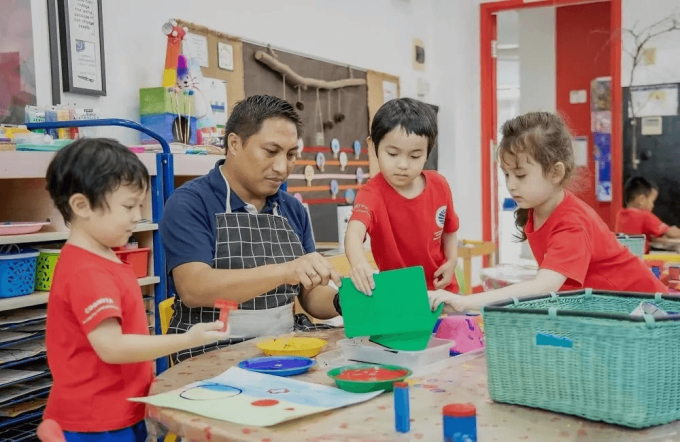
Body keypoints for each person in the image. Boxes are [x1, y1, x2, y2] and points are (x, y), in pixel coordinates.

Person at [43, 139, 229, 441]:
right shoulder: (87, 271)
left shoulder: (100, 256)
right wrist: (185, 339)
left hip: (114, 411)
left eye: (139, 206)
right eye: (129, 206)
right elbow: (112, 347)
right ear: (82, 205)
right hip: (97, 421)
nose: (136, 216)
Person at [160, 95, 342, 364]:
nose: (282, 168)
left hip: (284, 347)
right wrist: (285, 270)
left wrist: (343, 302)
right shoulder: (190, 203)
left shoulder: (292, 209)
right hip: (210, 352)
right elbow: (194, 288)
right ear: (234, 143)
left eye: (291, 155)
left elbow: (310, 294)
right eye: (271, 151)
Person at [429, 112, 667, 313]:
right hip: (614, 310)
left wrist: (466, 301)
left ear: (555, 173)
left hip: (650, 310)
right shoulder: (535, 210)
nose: (511, 184)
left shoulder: (571, 223)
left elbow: (545, 286)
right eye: (507, 174)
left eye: (520, 175)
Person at [344, 98, 459, 296]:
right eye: (393, 154)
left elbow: (449, 229)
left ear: (427, 153)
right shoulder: (371, 194)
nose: (403, 165)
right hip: (400, 297)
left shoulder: (440, 185)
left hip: (442, 291)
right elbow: (354, 234)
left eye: (415, 156)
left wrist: (452, 260)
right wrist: (359, 263)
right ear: (373, 146)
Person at [615, 176, 680, 253]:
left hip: (625, 258)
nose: (653, 206)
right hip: (639, 260)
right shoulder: (644, 216)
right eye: (652, 201)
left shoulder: (621, 214)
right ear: (641, 200)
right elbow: (672, 233)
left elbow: (651, 238)